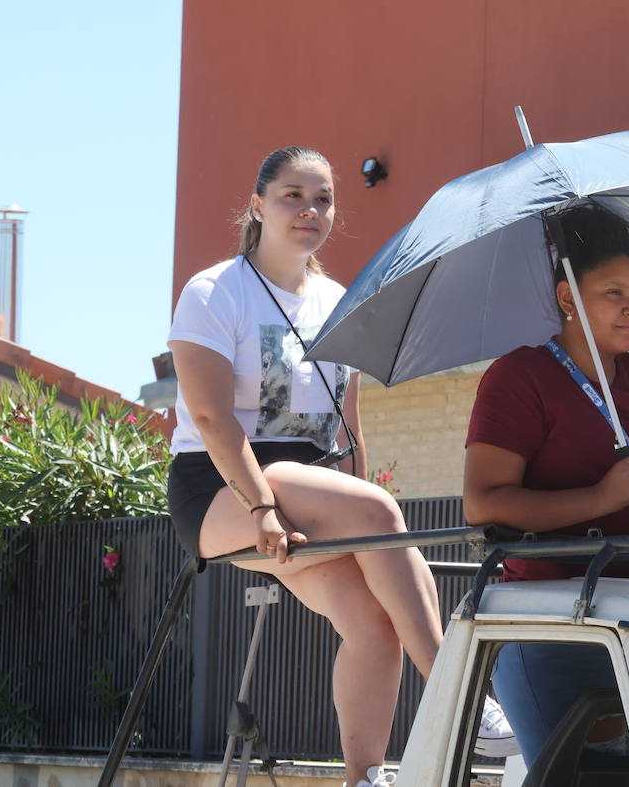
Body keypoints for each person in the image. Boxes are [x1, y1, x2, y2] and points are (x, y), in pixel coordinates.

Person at [165, 146, 515, 787]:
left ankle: (365, 778)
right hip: (222, 489)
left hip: (309, 488)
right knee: (381, 510)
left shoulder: (336, 301)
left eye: (322, 197)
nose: (309, 209)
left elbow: (348, 426)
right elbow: (212, 421)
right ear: (258, 205)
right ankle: (457, 688)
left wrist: (360, 511)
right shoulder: (215, 291)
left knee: (376, 627)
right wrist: (262, 507)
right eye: (293, 196)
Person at [462, 202, 629, 766]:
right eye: (615, 294)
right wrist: (600, 499)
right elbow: (484, 503)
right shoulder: (519, 376)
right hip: (554, 622)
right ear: (567, 299)